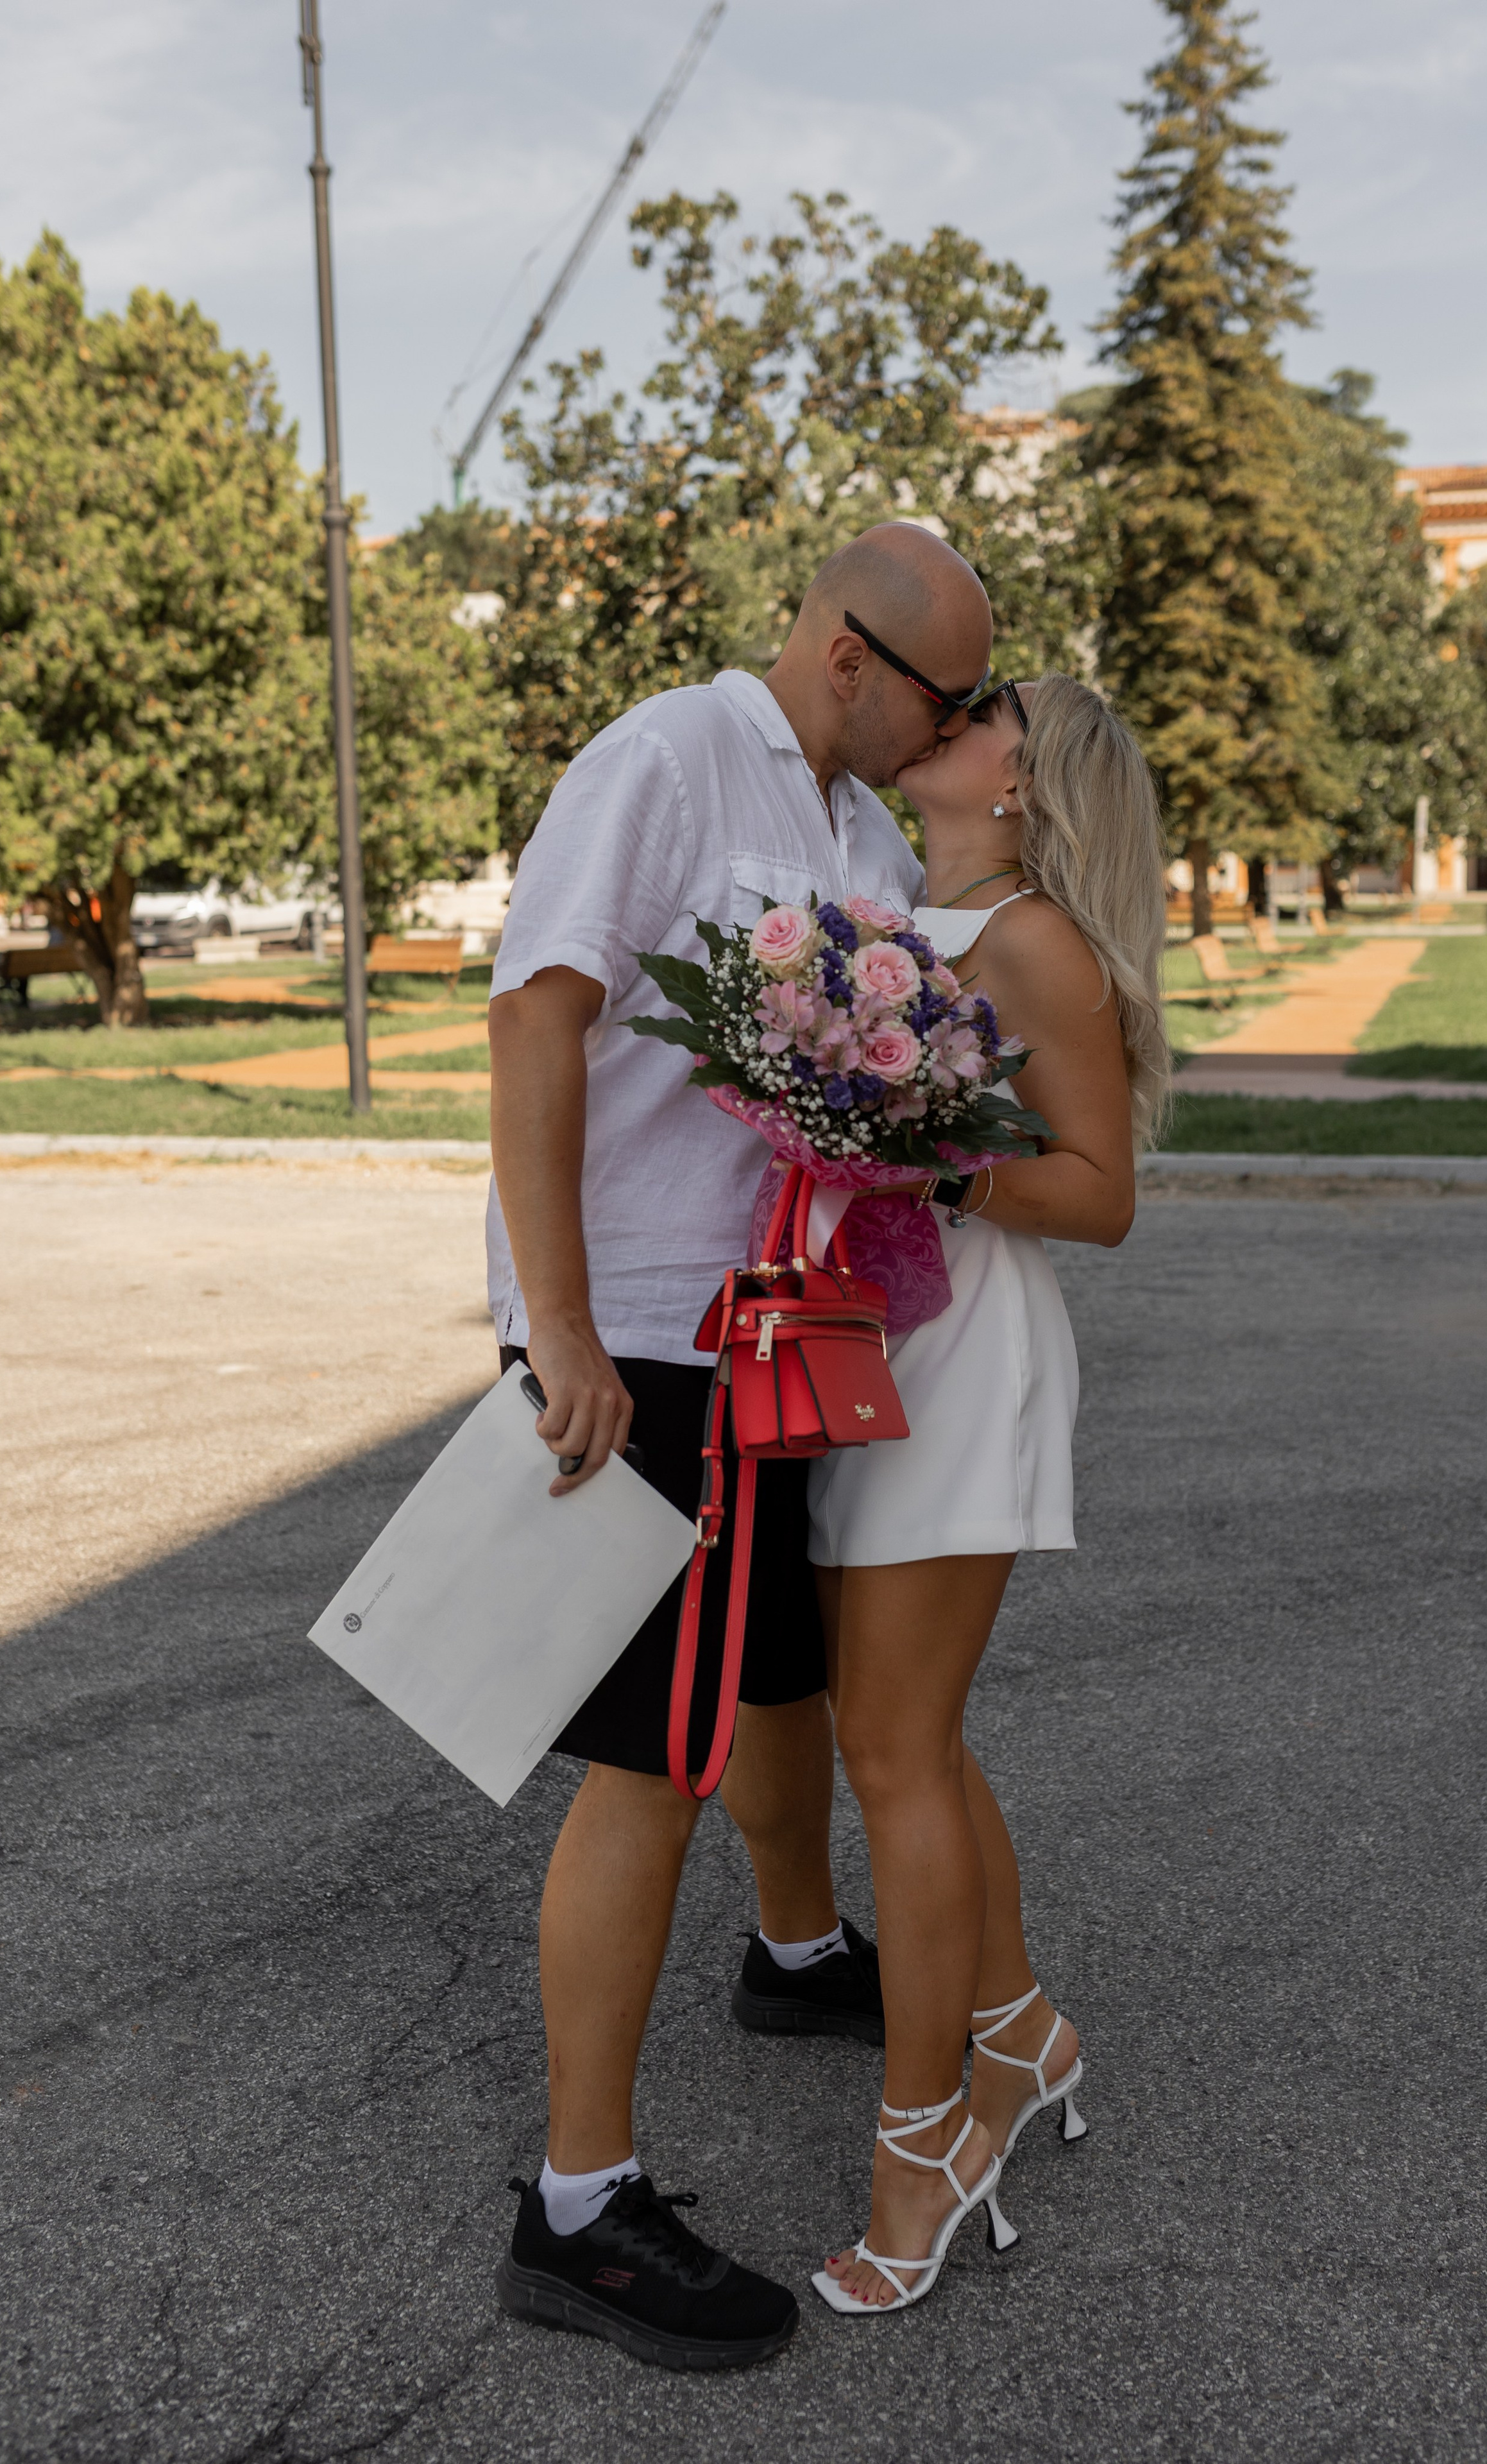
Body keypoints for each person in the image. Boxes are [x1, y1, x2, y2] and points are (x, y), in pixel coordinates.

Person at [486, 524, 995, 2369]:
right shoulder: (667, 759)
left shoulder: (859, 833)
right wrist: (557, 1330)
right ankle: (576, 2207)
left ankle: (794, 1957)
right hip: (640, 1336)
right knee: (654, 1759)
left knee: (766, 1682)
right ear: (852, 654)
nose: (961, 729)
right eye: (949, 695)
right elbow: (537, 1021)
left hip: (778, 1329)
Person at [806, 671, 1171, 2313]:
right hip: (867, 1342)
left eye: (983, 713)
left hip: (967, 1369)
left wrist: (919, 1139)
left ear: (1026, 782)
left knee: (887, 1751)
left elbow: (1100, 1197)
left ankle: (925, 2138)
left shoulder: (1031, 939)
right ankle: (1021, 2032)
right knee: (908, 1739)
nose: (947, 717)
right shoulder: (890, 910)